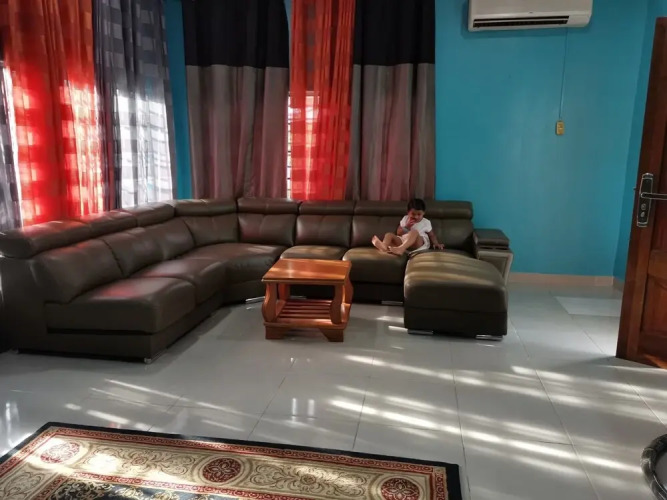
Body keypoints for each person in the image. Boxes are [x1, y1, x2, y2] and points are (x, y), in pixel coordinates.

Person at [372, 198, 445, 256]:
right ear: (408, 212)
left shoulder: (426, 222)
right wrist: (407, 226)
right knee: (389, 234)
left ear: (423, 213)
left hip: (418, 243)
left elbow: (432, 235)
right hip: (404, 241)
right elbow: (398, 233)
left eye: (419, 214)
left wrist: (436, 243)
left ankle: (401, 249)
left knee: (414, 232)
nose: (416, 217)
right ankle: (384, 246)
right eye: (413, 214)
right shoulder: (405, 219)